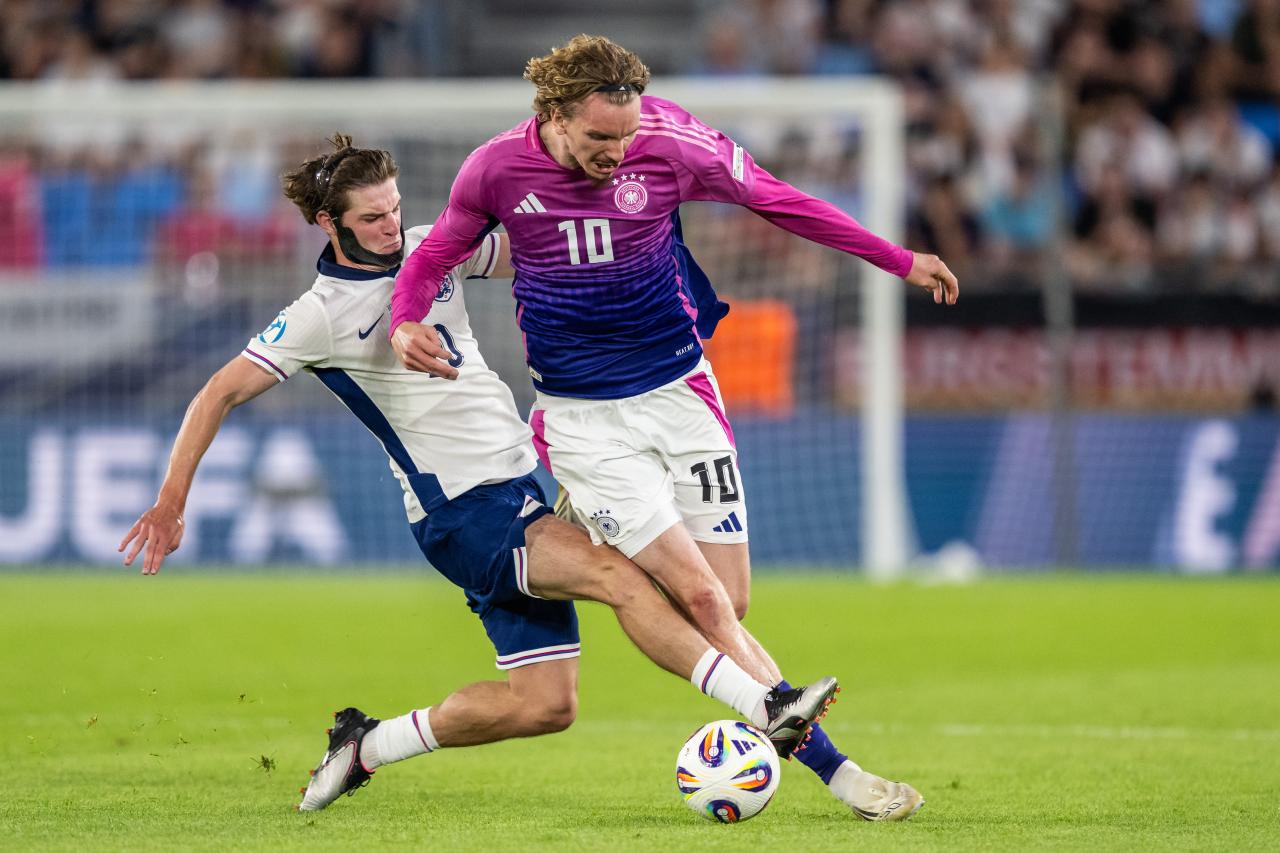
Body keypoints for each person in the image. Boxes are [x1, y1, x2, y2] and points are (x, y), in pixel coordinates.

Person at [117, 134, 838, 813]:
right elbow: (217, 393)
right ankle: (767, 704)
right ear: (327, 223)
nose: (391, 227)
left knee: (545, 705)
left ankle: (368, 744)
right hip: (463, 513)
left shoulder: (432, 249)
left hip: (520, 489)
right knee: (618, 576)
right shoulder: (319, 315)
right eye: (371, 218)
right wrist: (170, 502)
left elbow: (535, 250)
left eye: (395, 208)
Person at [389, 35, 958, 821]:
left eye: (626, 135)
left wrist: (896, 259)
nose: (617, 152)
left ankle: (593, 538)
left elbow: (779, 199)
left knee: (728, 600)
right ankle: (843, 773)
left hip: (683, 393)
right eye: (600, 137)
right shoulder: (494, 169)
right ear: (555, 114)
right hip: (583, 419)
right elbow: (434, 253)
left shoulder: (673, 141)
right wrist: (405, 318)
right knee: (698, 597)